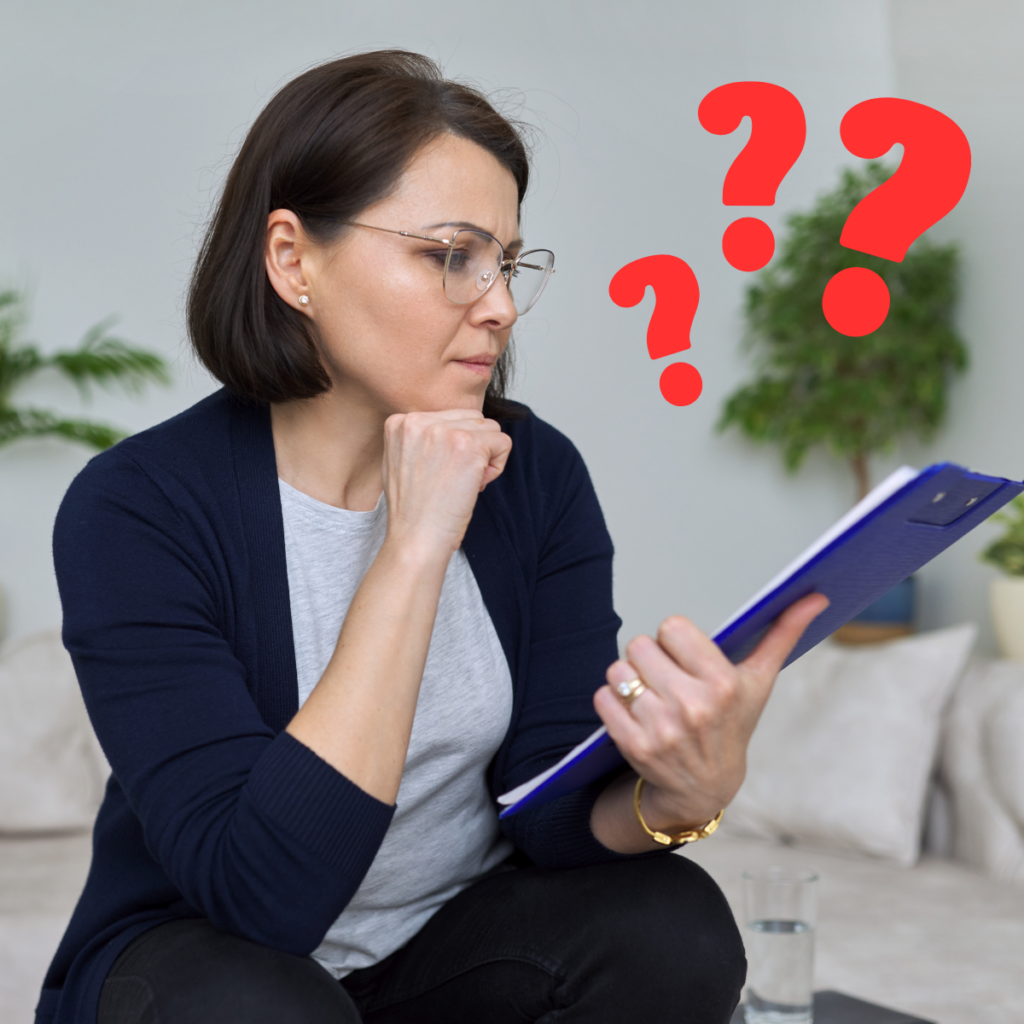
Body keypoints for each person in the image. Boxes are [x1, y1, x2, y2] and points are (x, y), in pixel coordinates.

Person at [35, 50, 828, 1024]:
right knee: (259, 1006)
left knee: (675, 920)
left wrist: (674, 800)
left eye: (507, 262)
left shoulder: (533, 472)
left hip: (444, 952)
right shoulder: (137, 507)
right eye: (450, 254)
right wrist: (412, 545)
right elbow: (261, 894)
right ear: (293, 260)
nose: (495, 303)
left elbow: (551, 811)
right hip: (210, 960)